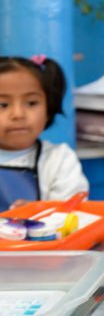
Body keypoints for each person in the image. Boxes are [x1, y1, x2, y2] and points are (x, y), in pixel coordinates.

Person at [0, 55, 89, 211]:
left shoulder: (59, 161)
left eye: (32, 103)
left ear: (49, 109)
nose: (18, 114)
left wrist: (42, 212)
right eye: (3, 105)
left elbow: (72, 214)